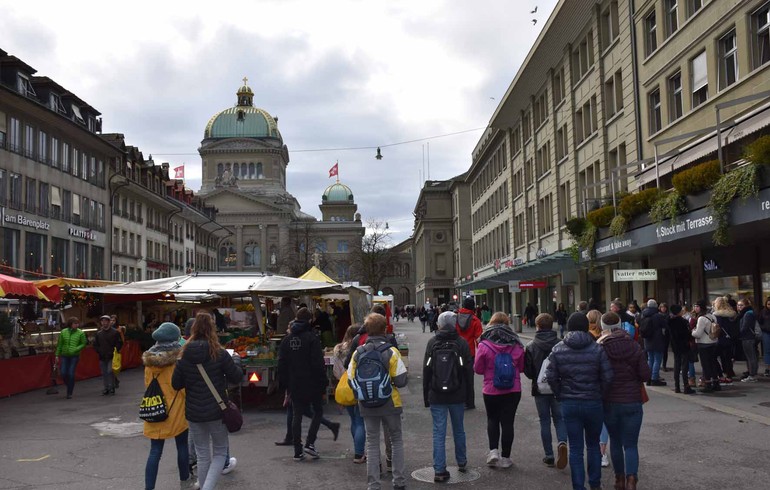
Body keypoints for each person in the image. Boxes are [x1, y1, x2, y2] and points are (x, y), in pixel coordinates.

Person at [172, 312, 241, 490]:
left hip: (194, 413)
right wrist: (236, 361)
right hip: (217, 410)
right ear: (212, 329)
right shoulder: (219, 353)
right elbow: (236, 377)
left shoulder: (184, 354)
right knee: (220, 452)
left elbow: (176, 384)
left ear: (193, 329)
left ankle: (204, 485)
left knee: (202, 455)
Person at [546, 312, 614, 490]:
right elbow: (608, 377)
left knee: (575, 448)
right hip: (593, 401)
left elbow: (550, 376)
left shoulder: (558, 349)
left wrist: (560, 393)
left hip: (569, 402)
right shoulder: (597, 349)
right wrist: (600, 393)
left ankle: (578, 486)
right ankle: (595, 484)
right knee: (593, 445)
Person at [347, 313, 408, 490]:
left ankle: (373, 484)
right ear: (385, 329)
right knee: (396, 440)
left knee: (372, 443)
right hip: (390, 403)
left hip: (366, 404)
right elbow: (402, 381)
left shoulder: (359, 353)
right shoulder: (391, 351)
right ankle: (399, 481)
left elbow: (351, 380)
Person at [597, 312, 650, 490]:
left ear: (603, 327)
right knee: (631, 444)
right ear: (620, 325)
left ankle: (619, 479)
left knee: (615, 441)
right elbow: (645, 374)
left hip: (610, 400)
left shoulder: (601, 348)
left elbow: (598, 375)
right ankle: (631, 479)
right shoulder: (634, 346)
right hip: (632, 400)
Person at [142, 322, 195, 490]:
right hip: (177, 408)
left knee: (155, 451)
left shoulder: (149, 361)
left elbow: (147, 384)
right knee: (182, 446)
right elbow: (184, 386)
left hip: (155, 407)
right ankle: (185, 482)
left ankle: (149, 488)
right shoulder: (178, 360)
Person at [423, 311, 473, 481]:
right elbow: (468, 372)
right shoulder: (461, 343)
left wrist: (426, 396)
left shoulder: (432, 342)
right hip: (457, 394)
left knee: (439, 432)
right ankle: (462, 461)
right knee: (459, 429)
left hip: (436, 394)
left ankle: (439, 470)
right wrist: (469, 398)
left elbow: (427, 371)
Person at [473, 312, 525, 469]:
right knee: (508, 422)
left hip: (491, 389)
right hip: (513, 389)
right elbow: (521, 367)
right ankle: (506, 458)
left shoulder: (484, 344)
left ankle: (493, 451)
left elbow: (478, 369)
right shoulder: (516, 343)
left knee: (492, 419)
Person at [278, 307, 329, 461]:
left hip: (295, 383)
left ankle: (297, 450)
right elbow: (318, 363)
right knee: (318, 412)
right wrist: (323, 382)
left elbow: (281, 363)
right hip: (312, 382)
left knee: (297, 414)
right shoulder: (312, 338)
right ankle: (310, 443)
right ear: (310, 320)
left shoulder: (287, 340)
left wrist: (284, 384)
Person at [524, 313, 568, 470]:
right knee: (560, 419)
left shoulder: (531, 346)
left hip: (539, 388)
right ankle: (562, 442)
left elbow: (528, 372)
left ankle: (549, 455)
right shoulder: (561, 344)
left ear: (537, 326)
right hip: (558, 387)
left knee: (544, 420)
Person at [333, 325, 365, 463]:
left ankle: (357, 449)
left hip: (345, 385)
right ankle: (359, 453)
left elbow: (336, 370)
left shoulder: (339, 349)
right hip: (359, 385)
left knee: (353, 420)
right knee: (360, 421)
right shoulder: (361, 347)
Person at [456, 297, 483, 410]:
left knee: (456, 376)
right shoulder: (475, 320)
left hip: (455, 352)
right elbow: (479, 340)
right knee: (468, 378)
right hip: (469, 353)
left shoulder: (455, 318)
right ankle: (469, 402)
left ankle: (457, 400)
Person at [55, 317, 87, 399]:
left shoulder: (80, 333)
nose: (77, 325)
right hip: (64, 355)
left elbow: (84, 343)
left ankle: (69, 392)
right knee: (63, 373)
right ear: (70, 324)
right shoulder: (63, 332)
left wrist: (76, 349)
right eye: (75, 323)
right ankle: (69, 385)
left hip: (74, 355)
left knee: (71, 373)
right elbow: (60, 344)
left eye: (77, 323)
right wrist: (57, 355)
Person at [691, 300, 720, 392]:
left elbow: (698, 334)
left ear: (701, 308)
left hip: (703, 343)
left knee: (705, 364)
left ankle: (707, 383)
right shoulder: (713, 316)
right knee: (713, 363)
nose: (695, 308)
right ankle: (716, 382)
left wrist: (692, 331)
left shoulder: (701, 318)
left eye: (697, 306)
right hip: (713, 342)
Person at [639, 299, 667, 386]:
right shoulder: (658, 316)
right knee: (657, 360)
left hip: (647, 339)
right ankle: (654, 378)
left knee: (650, 359)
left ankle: (648, 378)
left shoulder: (643, 314)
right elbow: (665, 325)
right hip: (657, 340)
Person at [668, 305, 695, 394]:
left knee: (677, 365)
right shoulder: (683, 321)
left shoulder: (669, 321)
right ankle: (686, 386)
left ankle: (677, 386)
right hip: (684, 345)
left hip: (675, 345)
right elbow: (687, 334)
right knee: (684, 366)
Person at [94, 314, 123, 396]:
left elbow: (119, 343)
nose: (104, 323)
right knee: (104, 372)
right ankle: (106, 388)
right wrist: (99, 351)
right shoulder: (99, 334)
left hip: (112, 356)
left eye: (106, 321)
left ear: (109, 322)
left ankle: (111, 387)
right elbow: (95, 345)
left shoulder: (115, 332)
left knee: (110, 371)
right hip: (102, 356)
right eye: (102, 321)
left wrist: (115, 350)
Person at [712, 297, 738, 382]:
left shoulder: (717, 315)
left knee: (714, 356)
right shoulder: (732, 314)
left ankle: (722, 374)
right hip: (730, 338)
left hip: (721, 338)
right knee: (727, 357)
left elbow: (717, 327)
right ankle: (729, 374)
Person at [737, 299, 758, 382]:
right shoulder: (747, 313)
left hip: (748, 337)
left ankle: (752, 375)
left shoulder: (747, 314)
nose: (739, 307)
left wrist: (738, 334)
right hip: (748, 337)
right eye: (738, 305)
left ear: (746, 306)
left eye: (741, 305)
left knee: (751, 357)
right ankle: (752, 373)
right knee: (750, 356)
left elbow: (745, 327)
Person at [758, 297, 770, 377]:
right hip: (766, 333)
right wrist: (764, 328)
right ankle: (768, 369)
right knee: (767, 351)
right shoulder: (763, 312)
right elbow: (759, 322)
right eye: (769, 304)